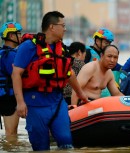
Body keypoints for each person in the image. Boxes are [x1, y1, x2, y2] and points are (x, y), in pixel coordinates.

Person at [11, 11, 88, 151]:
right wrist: (20, 103)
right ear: (52, 27)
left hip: (57, 103)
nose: (65, 29)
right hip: (35, 105)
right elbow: (16, 74)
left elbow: (68, 73)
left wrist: (81, 94)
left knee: (67, 144)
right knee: (41, 147)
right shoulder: (28, 47)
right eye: (63, 25)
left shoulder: (61, 48)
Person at [84, 28, 122, 97]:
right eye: (106, 43)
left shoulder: (104, 55)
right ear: (98, 41)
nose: (108, 46)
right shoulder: (88, 52)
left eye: (109, 43)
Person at [0, 22, 22, 136]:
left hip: (3, 95)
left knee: (10, 133)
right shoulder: (11, 55)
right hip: (9, 97)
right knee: (11, 134)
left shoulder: (2, 53)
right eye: (18, 33)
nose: (21, 36)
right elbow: (15, 74)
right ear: (11, 36)